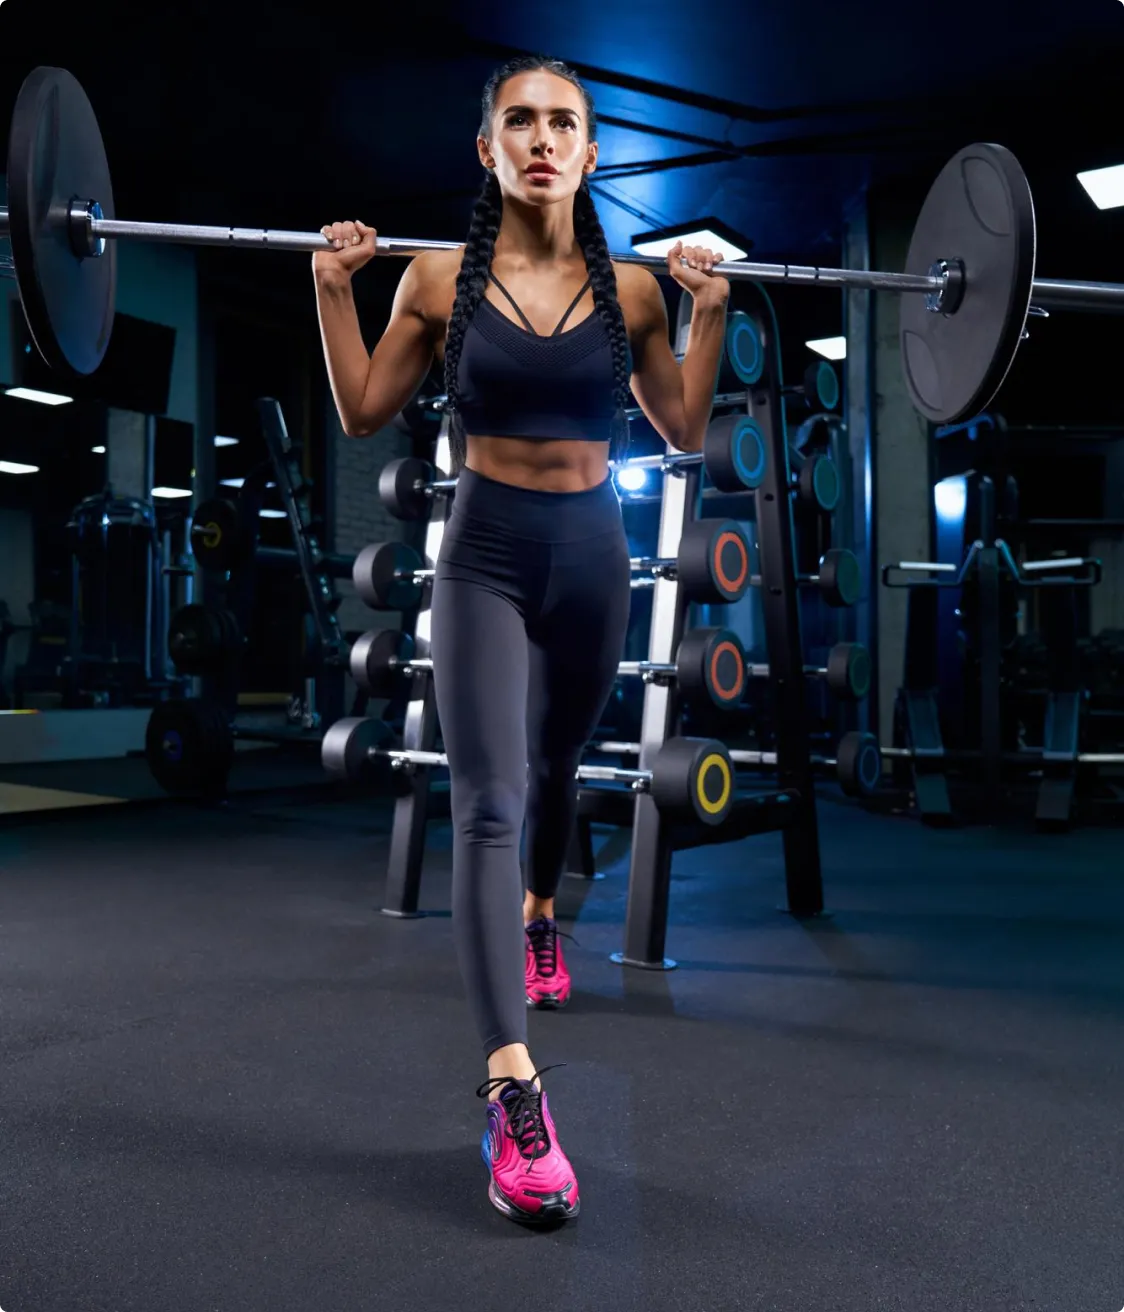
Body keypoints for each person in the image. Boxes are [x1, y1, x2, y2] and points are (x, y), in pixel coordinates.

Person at [313, 54, 730, 1226]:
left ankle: (541, 917)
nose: (542, 138)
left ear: (592, 154)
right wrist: (333, 288)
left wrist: (712, 311)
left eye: (564, 123)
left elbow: (685, 427)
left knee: (554, 775)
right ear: (488, 150)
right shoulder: (438, 278)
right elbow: (358, 410)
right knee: (487, 799)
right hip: (484, 552)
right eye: (520, 122)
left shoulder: (638, 291)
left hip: (592, 553)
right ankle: (511, 1087)